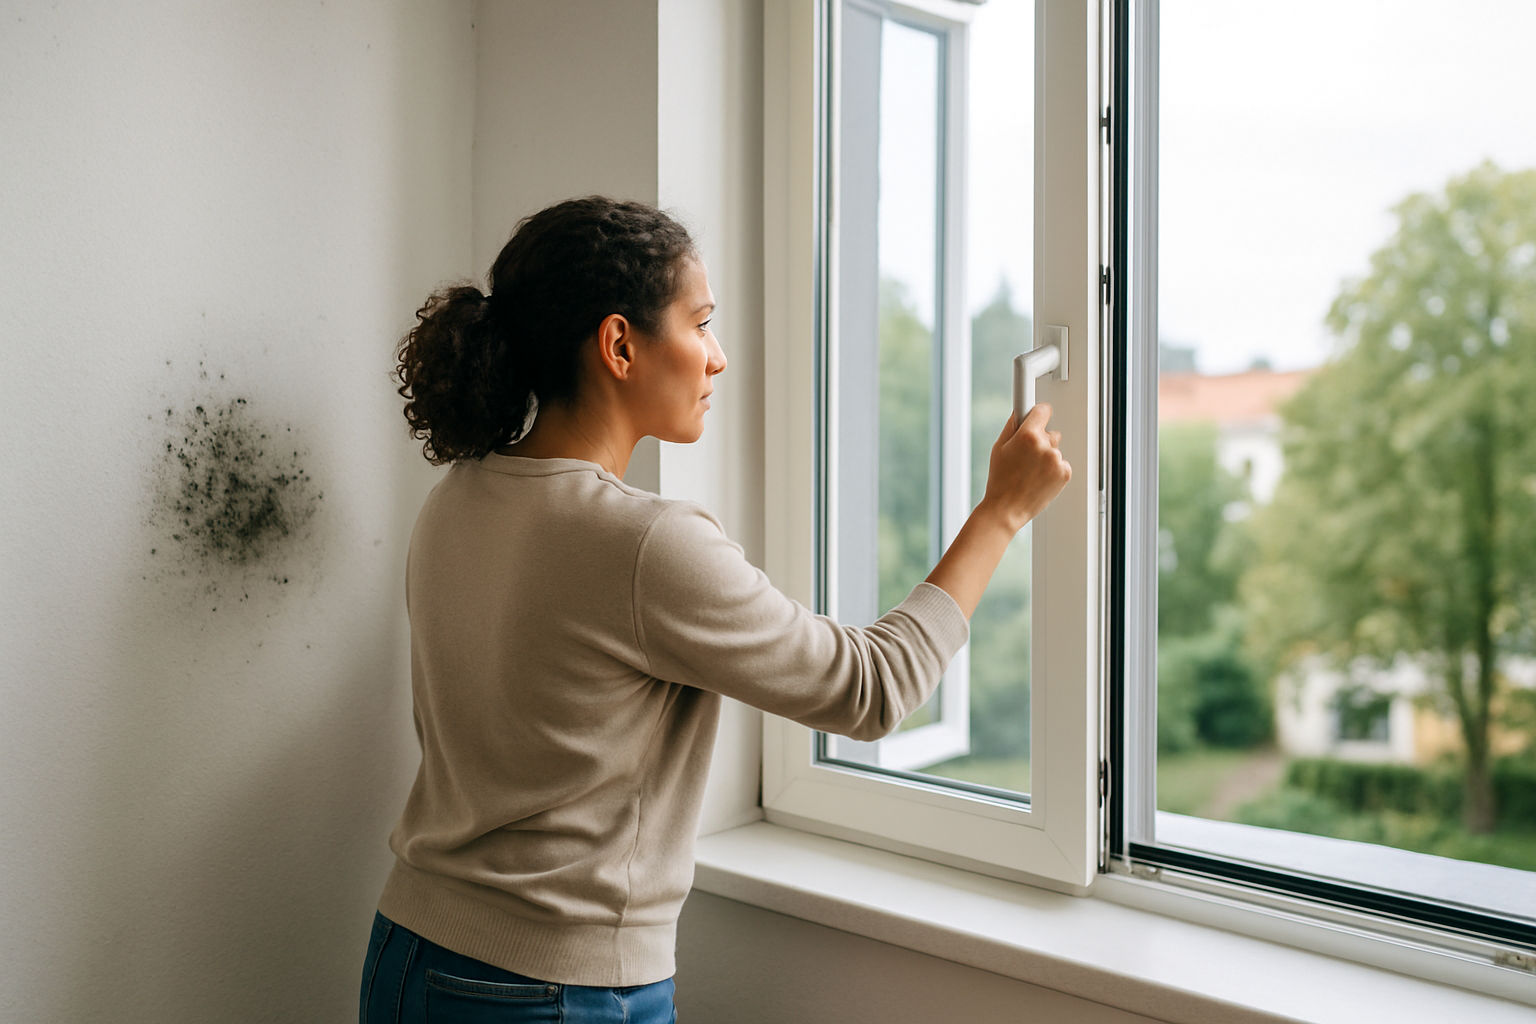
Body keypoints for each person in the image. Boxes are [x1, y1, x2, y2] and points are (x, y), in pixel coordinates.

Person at [359, 196, 1070, 1023]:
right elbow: (870, 690)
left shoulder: (457, 498)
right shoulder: (644, 544)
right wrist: (1001, 514)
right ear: (620, 344)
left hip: (407, 952)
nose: (718, 357)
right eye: (700, 324)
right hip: (546, 990)